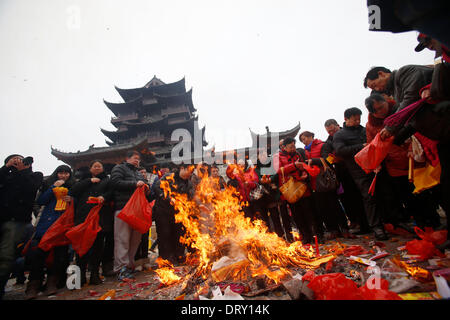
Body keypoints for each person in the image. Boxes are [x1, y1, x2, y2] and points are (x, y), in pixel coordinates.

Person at [332, 108, 388, 241]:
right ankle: (377, 227)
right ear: (346, 119)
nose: (358, 121)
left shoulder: (364, 130)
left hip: (375, 165)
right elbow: (340, 151)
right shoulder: (340, 135)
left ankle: (390, 222)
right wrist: (360, 146)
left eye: (359, 119)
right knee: (369, 196)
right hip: (358, 170)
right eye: (355, 119)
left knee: (383, 193)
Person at [26, 165, 75, 299]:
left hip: (64, 224)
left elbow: (78, 205)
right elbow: (41, 201)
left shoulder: (73, 187)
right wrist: (53, 187)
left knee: (60, 256)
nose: (63, 176)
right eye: (61, 173)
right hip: (47, 224)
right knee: (39, 255)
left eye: (66, 173)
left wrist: (72, 200)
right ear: (56, 174)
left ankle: (52, 283)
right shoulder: (48, 184)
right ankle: (33, 285)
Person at [0, 154, 43, 299]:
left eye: (22, 160)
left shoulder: (34, 176)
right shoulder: (6, 176)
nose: (19, 162)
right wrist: (6, 168)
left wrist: (23, 171)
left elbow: (31, 188)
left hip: (17, 221)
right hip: (3, 217)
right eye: (15, 160)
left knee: (6, 255)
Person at [69, 160, 113, 285]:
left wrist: (104, 197)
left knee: (98, 247)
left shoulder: (107, 181)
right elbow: (73, 191)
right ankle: (80, 276)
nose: (97, 168)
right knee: (81, 247)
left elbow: (111, 193)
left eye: (100, 166)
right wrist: (89, 181)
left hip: (100, 217)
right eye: (95, 166)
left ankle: (95, 274)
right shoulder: (83, 180)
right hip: (83, 217)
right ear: (90, 168)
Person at [299, 131, 350, 240]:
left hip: (325, 180)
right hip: (314, 183)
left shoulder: (323, 145)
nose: (305, 141)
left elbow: (329, 159)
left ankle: (344, 228)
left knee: (335, 205)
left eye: (306, 138)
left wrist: (313, 161)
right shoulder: (304, 151)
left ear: (312, 136)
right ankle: (333, 230)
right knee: (323, 209)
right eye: (302, 140)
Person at [363, 64, 434, 140]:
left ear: (381, 74)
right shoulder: (395, 91)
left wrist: (390, 128)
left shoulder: (403, 73)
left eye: (374, 85)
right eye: (373, 88)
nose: (377, 89)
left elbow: (411, 98)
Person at [321, 119, 367, 233]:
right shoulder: (328, 142)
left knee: (364, 196)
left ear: (338, 125)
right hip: (343, 173)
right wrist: (334, 159)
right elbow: (326, 157)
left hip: (359, 167)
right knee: (351, 199)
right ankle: (360, 223)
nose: (331, 133)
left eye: (333, 130)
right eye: (329, 132)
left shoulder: (347, 134)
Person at [110, 151, 149, 280]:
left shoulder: (138, 173)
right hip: (123, 208)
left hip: (137, 210)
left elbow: (144, 182)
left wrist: (146, 187)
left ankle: (130, 265)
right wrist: (134, 184)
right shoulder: (119, 168)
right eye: (134, 158)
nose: (137, 161)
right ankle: (121, 268)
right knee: (122, 239)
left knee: (135, 239)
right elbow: (115, 183)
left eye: (138, 159)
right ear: (127, 158)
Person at [273, 137, 316, 244]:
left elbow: (303, 166)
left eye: (294, 146)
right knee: (297, 214)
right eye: (291, 147)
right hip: (291, 189)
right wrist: (294, 166)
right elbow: (278, 170)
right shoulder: (277, 156)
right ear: (284, 147)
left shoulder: (298, 154)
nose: (293, 148)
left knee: (308, 212)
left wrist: (304, 172)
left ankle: (313, 235)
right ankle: (305, 236)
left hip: (302, 186)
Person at [152, 164, 194, 265]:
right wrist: (168, 198)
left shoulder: (188, 183)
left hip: (178, 213)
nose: (190, 174)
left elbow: (191, 196)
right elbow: (157, 187)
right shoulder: (169, 177)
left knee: (179, 234)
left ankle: (179, 256)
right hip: (163, 212)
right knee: (165, 235)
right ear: (182, 168)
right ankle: (167, 259)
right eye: (189, 171)